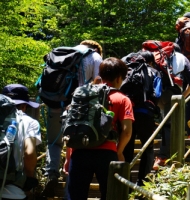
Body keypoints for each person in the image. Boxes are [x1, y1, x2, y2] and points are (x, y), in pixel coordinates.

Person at [42, 40, 103, 198]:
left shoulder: (60, 54)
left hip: (54, 103)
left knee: (53, 142)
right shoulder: (95, 56)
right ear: (96, 48)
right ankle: (69, 186)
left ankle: (51, 174)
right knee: (74, 143)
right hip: (77, 107)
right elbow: (98, 82)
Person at [66, 57, 134, 200]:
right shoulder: (122, 99)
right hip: (107, 153)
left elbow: (73, 125)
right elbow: (127, 131)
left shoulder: (83, 95)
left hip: (80, 152)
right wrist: (119, 151)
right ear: (118, 78)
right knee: (111, 195)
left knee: (75, 196)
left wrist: (68, 157)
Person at [153, 43, 190, 170]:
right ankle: (162, 157)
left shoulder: (158, 56)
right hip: (173, 94)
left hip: (156, 94)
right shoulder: (182, 58)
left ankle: (173, 150)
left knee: (166, 122)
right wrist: (183, 96)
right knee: (169, 125)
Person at [122, 50, 162, 186]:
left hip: (127, 114)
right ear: (150, 61)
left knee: (127, 148)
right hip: (145, 114)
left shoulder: (127, 70)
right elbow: (157, 93)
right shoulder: (154, 72)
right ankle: (142, 183)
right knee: (147, 148)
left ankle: (125, 183)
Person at [1, 84, 41, 200]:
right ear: (24, 105)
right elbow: (29, 153)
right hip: (13, 192)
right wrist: (29, 180)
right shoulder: (29, 122)